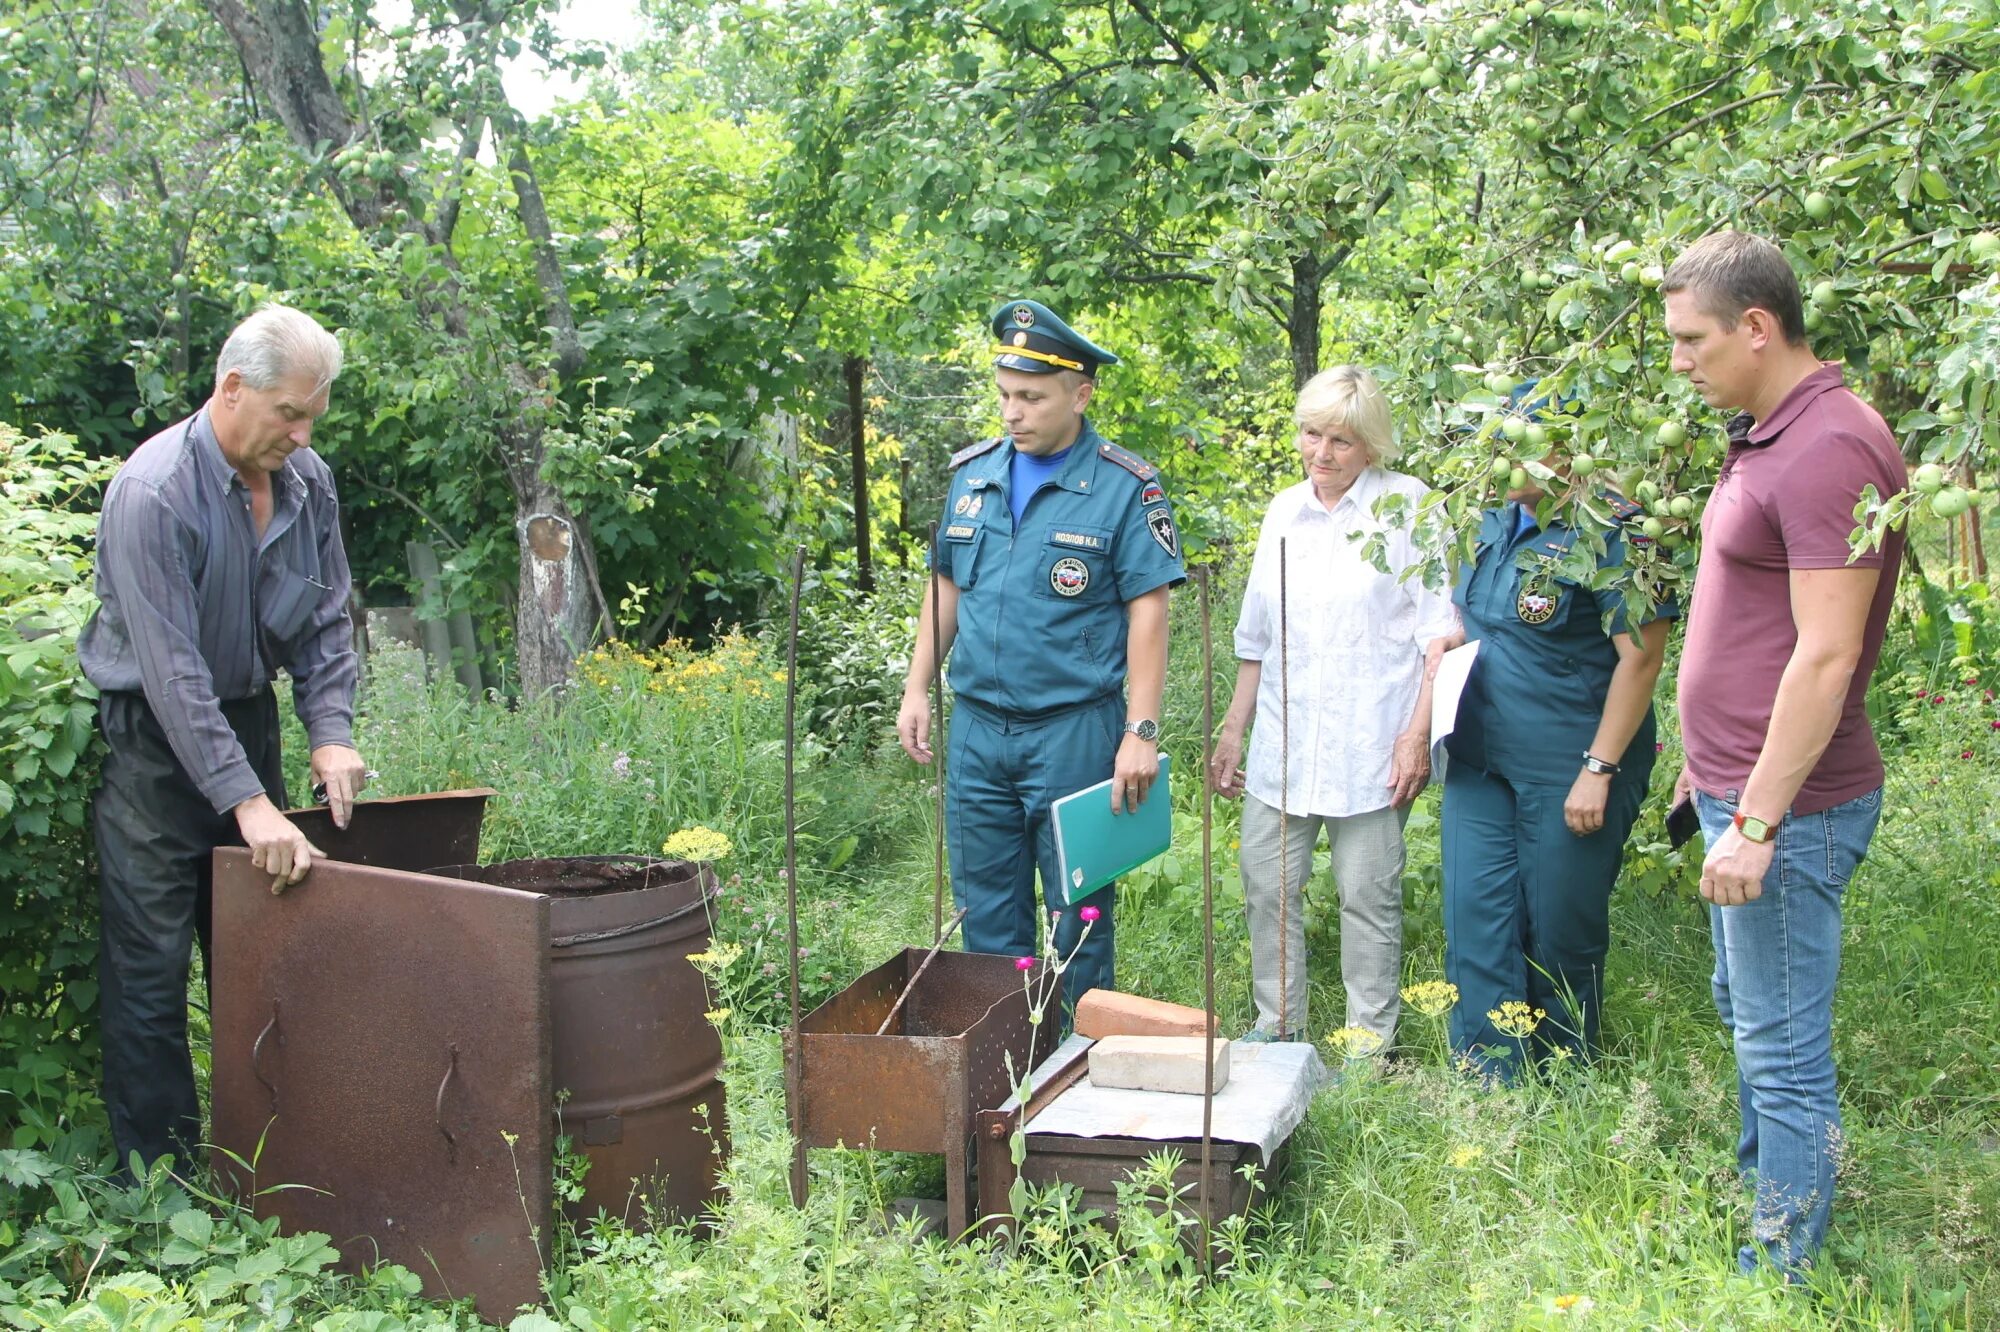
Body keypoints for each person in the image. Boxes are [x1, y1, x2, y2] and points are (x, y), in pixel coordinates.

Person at [1663, 230, 1906, 1279]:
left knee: (1782, 1051)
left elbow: (1826, 652)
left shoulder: (1828, 448)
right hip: (1735, 785)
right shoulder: (1772, 429)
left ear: (1754, 328)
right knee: (1749, 1019)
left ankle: (1777, 1273)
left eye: (1691, 341)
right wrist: (1702, 762)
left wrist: (1757, 819)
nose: (1678, 362)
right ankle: (1767, 1202)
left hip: (1793, 811)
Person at [79, 304, 370, 1174]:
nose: (304, 432)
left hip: (246, 721)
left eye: (314, 414)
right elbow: (171, 677)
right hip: (152, 748)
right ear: (232, 388)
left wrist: (328, 734)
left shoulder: (307, 481)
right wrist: (246, 804)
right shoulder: (153, 492)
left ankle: (275, 1164)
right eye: (291, 412)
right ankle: (159, 1181)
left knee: (261, 949)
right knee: (151, 964)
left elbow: (326, 620)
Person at [896, 299, 1186, 1006]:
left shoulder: (1125, 486)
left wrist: (1140, 731)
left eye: (1031, 397)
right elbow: (946, 587)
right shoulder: (974, 476)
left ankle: (1075, 1073)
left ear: (1080, 394)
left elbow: (1149, 609)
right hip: (978, 732)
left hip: (1073, 732)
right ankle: (1005, 1069)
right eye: (1004, 395)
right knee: (987, 915)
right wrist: (916, 687)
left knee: (1077, 913)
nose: (1012, 413)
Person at [1208, 367, 1459, 1049]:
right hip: (1284, 744)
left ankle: (1366, 1045)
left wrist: (1416, 735)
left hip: (1371, 744)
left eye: (1341, 441)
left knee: (1366, 897)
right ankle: (1277, 1027)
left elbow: (1441, 635)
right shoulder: (1283, 512)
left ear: (1371, 446)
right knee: (1267, 886)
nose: (1322, 453)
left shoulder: (1410, 508)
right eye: (1312, 434)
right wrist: (1234, 730)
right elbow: (1256, 635)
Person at [1439, 387, 1673, 1083]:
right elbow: (1472, 615)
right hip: (1482, 757)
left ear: (1567, 449)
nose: (1509, 462)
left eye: (1524, 447)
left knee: (1561, 927)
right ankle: (1489, 1079)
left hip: (1572, 760)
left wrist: (1599, 768)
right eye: (1502, 447)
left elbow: (1643, 657)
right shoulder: (1484, 521)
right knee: (1475, 918)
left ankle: (1567, 1077)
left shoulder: (1621, 530)